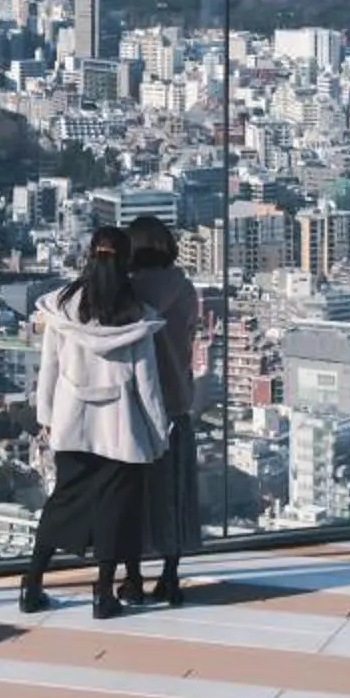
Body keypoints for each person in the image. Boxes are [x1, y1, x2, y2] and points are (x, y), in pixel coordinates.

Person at [19, 225, 167, 619]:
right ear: (125, 263)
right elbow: (147, 385)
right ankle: (103, 594)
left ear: (89, 257)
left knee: (63, 503)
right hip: (122, 430)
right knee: (114, 513)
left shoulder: (62, 309)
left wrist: (47, 419)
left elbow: (48, 369)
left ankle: (31, 584)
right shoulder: (135, 317)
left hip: (72, 423)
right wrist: (157, 433)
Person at [123, 215, 200, 607]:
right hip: (177, 402)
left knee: (134, 494)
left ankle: (132, 578)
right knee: (174, 494)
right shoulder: (186, 290)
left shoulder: (127, 295)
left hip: (134, 404)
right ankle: (170, 577)